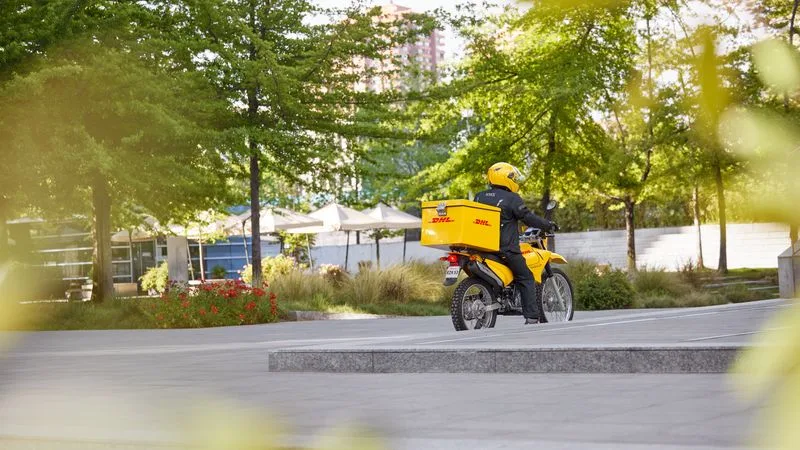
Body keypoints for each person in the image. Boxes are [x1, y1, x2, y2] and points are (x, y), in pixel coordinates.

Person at [474, 162, 558, 325]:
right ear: (505, 178)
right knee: (526, 277)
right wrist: (548, 224)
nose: (514, 179)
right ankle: (532, 317)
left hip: (482, 247)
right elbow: (528, 218)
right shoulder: (512, 199)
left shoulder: (479, 196)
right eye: (512, 177)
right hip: (506, 249)